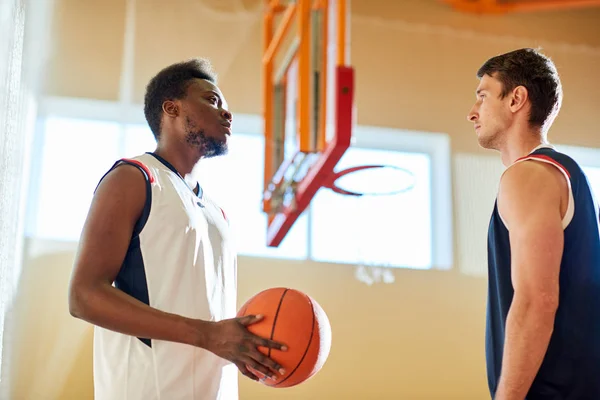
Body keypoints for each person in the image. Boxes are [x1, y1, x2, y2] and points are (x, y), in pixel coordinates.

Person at [68, 58, 287, 400]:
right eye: (212, 101)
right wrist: (207, 335)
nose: (227, 113)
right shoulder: (134, 178)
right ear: (171, 108)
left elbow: (207, 315)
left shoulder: (218, 214)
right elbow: (84, 297)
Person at [468, 47, 600, 400]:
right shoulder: (566, 174)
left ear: (516, 99)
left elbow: (537, 299)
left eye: (483, 97)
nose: (472, 112)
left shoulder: (527, 175)